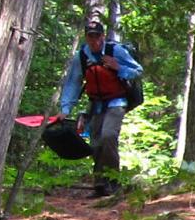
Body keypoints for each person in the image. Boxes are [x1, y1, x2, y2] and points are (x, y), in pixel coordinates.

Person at [57, 19, 142, 198]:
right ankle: (100, 185)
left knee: (108, 136)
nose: (94, 40)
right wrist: (65, 109)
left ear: (102, 36)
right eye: (90, 36)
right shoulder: (81, 56)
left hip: (117, 102)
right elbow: (73, 82)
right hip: (95, 105)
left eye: (97, 36)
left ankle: (113, 182)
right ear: (86, 37)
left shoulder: (115, 51)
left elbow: (137, 70)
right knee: (95, 144)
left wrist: (118, 67)